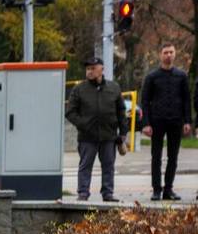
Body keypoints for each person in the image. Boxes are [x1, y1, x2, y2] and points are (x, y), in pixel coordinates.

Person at [65, 57, 126, 202]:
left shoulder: (114, 88)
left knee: (108, 166)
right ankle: (83, 193)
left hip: (109, 135)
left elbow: (121, 111)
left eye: (93, 68)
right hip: (87, 137)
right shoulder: (79, 89)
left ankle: (108, 193)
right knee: (85, 166)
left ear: (101, 69)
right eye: (87, 69)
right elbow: (70, 112)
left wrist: (123, 133)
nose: (89, 71)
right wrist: (83, 124)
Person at [139, 42, 192, 200]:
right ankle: (156, 189)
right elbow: (145, 101)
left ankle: (168, 189)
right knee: (156, 157)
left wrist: (187, 121)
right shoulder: (152, 77)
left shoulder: (182, 76)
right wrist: (146, 124)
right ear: (160, 55)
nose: (168, 55)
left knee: (173, 157)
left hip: (176, 121)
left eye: (171, 52)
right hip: (157, 121)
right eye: (165, 52)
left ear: (175, 54)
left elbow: (186, 100)